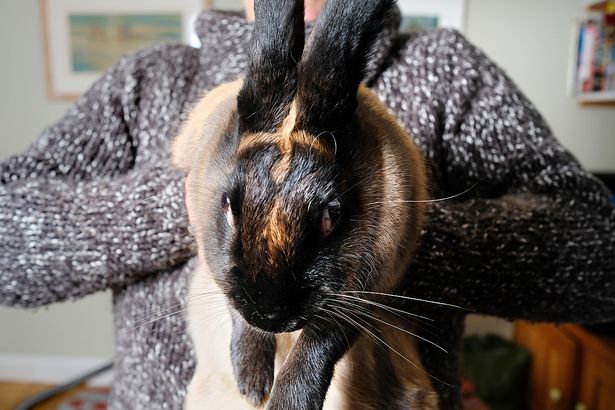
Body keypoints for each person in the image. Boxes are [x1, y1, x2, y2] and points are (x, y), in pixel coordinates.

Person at [1, 1, 614, 409]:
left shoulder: (446, 71)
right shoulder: (146, 79)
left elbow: (599, 252)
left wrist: (385, 230)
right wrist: (197, 203)